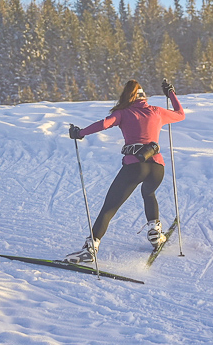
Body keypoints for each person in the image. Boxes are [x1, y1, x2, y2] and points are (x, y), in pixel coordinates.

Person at [64, 79, 185, 264]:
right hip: (157, 167)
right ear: (144, 96)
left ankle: (90, 249)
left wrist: (79, 133)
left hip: (135, 166)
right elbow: (180, 114)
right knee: (149, 193)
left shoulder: (123, 113)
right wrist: (171, 94)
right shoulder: (156, 111)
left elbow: (103, 124)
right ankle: (155, 233)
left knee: (109, 208)